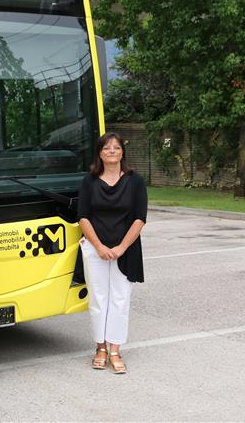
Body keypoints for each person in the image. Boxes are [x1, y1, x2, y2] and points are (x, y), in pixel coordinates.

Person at [77, 132, 147, 374]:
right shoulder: (89, 182)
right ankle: (100, 348)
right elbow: (83, 216)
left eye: (116, 148)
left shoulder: (135, 181)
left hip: (125, 250)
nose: (112, 152)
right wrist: (99, 247)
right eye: (107, 148)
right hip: (95, 248)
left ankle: (115, 349)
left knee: (120, 300)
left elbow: (140, 218)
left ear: (122, 152)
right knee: (98, 299)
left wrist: (120, 248)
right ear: (99, 153)